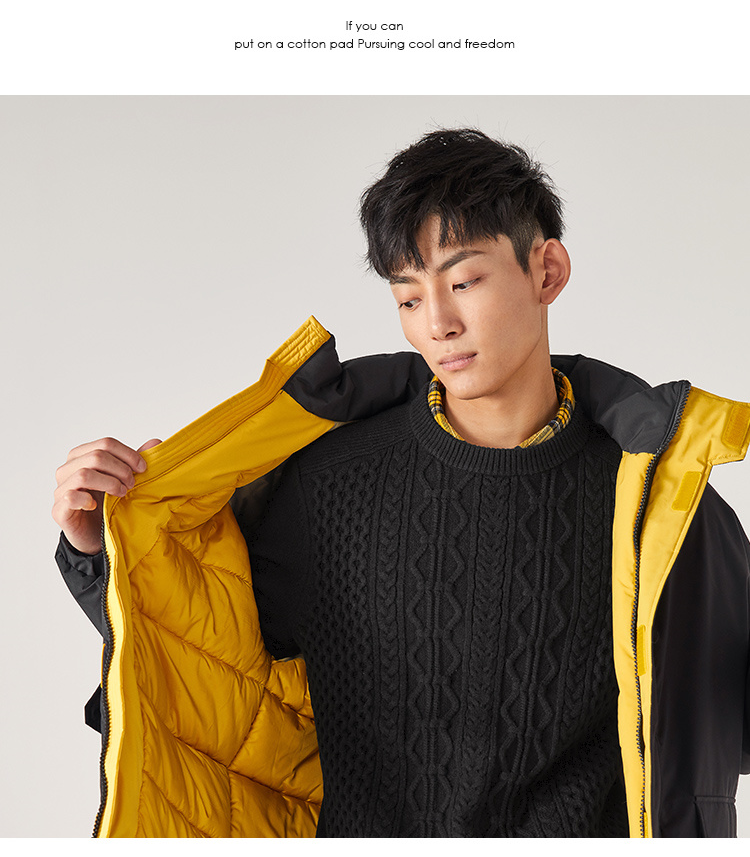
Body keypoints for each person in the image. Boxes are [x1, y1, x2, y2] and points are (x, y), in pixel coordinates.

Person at [53, 129, 750, 838]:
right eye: (409, 298)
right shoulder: (329, 488)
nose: (438, 323)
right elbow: (200, 657)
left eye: (463, 282)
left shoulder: (661, 507)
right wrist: (108, 546)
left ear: (547, 271)